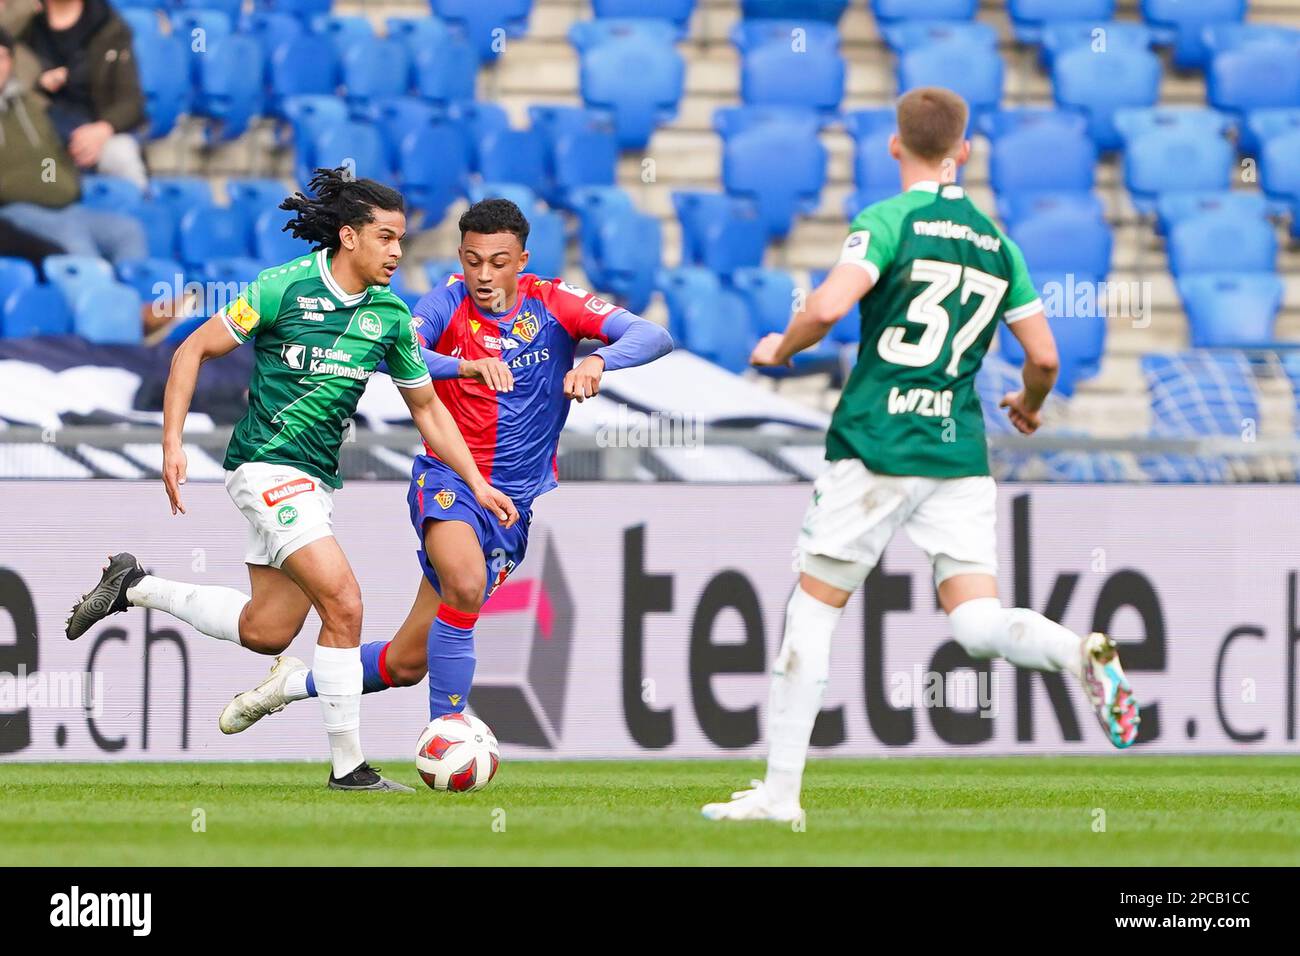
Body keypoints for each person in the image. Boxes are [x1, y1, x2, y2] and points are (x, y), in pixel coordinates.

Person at [701, 87, 1141, 823]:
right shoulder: (999, 244)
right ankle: (1078, 654)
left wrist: (782, 346)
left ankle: (780, 795)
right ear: (964, 151)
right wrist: (1028, 407)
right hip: (957, 451)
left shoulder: (887, 221)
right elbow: (1045, 357)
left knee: (812, 611)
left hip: (876, 443)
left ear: (895, 146)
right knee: (976, 622)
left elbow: (830, 306)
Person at [64, 168, 518, 793]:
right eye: (386, 238)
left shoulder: (389, 316)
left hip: (315, 481)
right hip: (265, 467)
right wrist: (171, 442)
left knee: (267, 630)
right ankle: (348, 769)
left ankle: (133, 586)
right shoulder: (282, 288)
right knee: (345, 604)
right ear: (350, 236)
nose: (396, 252)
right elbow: (190, 350)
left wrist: (478, 483)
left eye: (401, 240)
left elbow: (428, 411)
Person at [216, 198, 673, 734]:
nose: (484, 275)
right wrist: (465, 366)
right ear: (460, 255)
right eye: (474, 260)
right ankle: (446, 733)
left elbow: (653, 335)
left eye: (498, 262)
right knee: (463, 583)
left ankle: (291, 684)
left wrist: (598, 358)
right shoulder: (447, 301)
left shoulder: (555, 302)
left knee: (409, 661)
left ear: (521, 259)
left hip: (513, 502)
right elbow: (398, 348)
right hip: (451, 479)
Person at [0, 27, 145, 263]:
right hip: (16, 211)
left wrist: (68, 180)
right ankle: (107, 298)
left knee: (128, 231)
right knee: (79, 247)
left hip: (66, 205)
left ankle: (142, 297)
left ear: (10, 61)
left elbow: (59, 144)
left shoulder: (29, 104)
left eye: (1, 57)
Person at [18, 0, 148, 188]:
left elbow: (131, 101)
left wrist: (103, 129)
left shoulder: (110, 28)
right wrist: (38, 82)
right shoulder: (25, 25)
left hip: (93, 129)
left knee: (121, 155)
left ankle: (142, 209)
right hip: (39, 130)